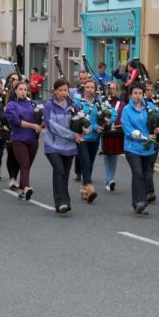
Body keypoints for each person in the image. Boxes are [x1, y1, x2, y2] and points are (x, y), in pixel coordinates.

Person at [44, 79, 83, 213]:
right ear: (55, 91)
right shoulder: (49, 106)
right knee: (59, 170)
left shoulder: (73, 106)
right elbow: (52, 126)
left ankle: (64, 202)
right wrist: (72, 135)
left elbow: (79, 121)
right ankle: (61, 202)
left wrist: (85, 129)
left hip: (69, 147)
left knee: (64, 174)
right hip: (53, 145)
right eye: (60, 90)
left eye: (65, 90)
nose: (62, 93)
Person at [74, 80, 116, 203]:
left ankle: (84, 189)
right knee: (86, 162)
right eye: (87, 87)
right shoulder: (78, 102)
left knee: (90, 163)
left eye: (92, 87)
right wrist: (93, 126)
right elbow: (76, 118)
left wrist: (107, 121)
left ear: (96, 90)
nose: (90, 89)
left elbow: (113, 113)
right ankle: (90, 187)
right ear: (83, 88)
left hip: (95, 138)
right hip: (82, 137)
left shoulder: (100, 103)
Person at [121, 84, 157, 215]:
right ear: (131, 95)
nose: (138, 96)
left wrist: (157, 128)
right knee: (137, 173)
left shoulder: (150, 108)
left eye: (140, 93)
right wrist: (143, 136)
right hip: (133, 147)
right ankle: (139, 202)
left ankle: (140, 201)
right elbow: (127, 128)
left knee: (147, 173)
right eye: (135, 93)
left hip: (149, 148)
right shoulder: (126, 110)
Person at [4, 81, 42, 200]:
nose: (23, 92)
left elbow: (41, 117)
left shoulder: (33, 103)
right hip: (19, 139)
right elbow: (15, 121)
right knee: (24, 163)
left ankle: (21, 188)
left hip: (33, 139)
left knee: (27, 166)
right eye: (20, 89)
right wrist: (33, 126)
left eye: (25, 90)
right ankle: (26, 187)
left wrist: (42, 123)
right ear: (15, 91)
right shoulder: (11, 105)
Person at [102, 81, 125, 192]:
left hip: (117, 132)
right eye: (109, 88)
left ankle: (111, 179)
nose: (112, 90)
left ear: (117, 90)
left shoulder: (121, 104)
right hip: (106, 132)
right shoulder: (103, 102)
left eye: (113, 88)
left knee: (114, 157)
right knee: (107, 156)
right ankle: (109, 180)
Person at [143, 80, 159, 202]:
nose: (149, 92)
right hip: (144, 137)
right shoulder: (141, 104)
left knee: (151, 165)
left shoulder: (156, 104)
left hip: (155, 138)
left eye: (151, 90)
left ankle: (147, 188)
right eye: (147, 90)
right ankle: (149, 191)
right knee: (146, 165)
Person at [71, 70, 90, 181]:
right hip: (78, 122)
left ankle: (86, 171)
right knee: (79, 149)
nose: (83, 81)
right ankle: (78, 171)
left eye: (85, 79)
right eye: (81, 79)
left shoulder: (92, 90)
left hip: (89, 123)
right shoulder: (74, 92)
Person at [3, 73, 21, 188]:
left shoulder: (23, 93)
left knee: (18, 154)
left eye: (17, 79)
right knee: (11, 154)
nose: (14, 81)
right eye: (12, 79)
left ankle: (16, 176)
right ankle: (12, 177)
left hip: (19, 127)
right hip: (7, 127)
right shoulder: (5, 94)